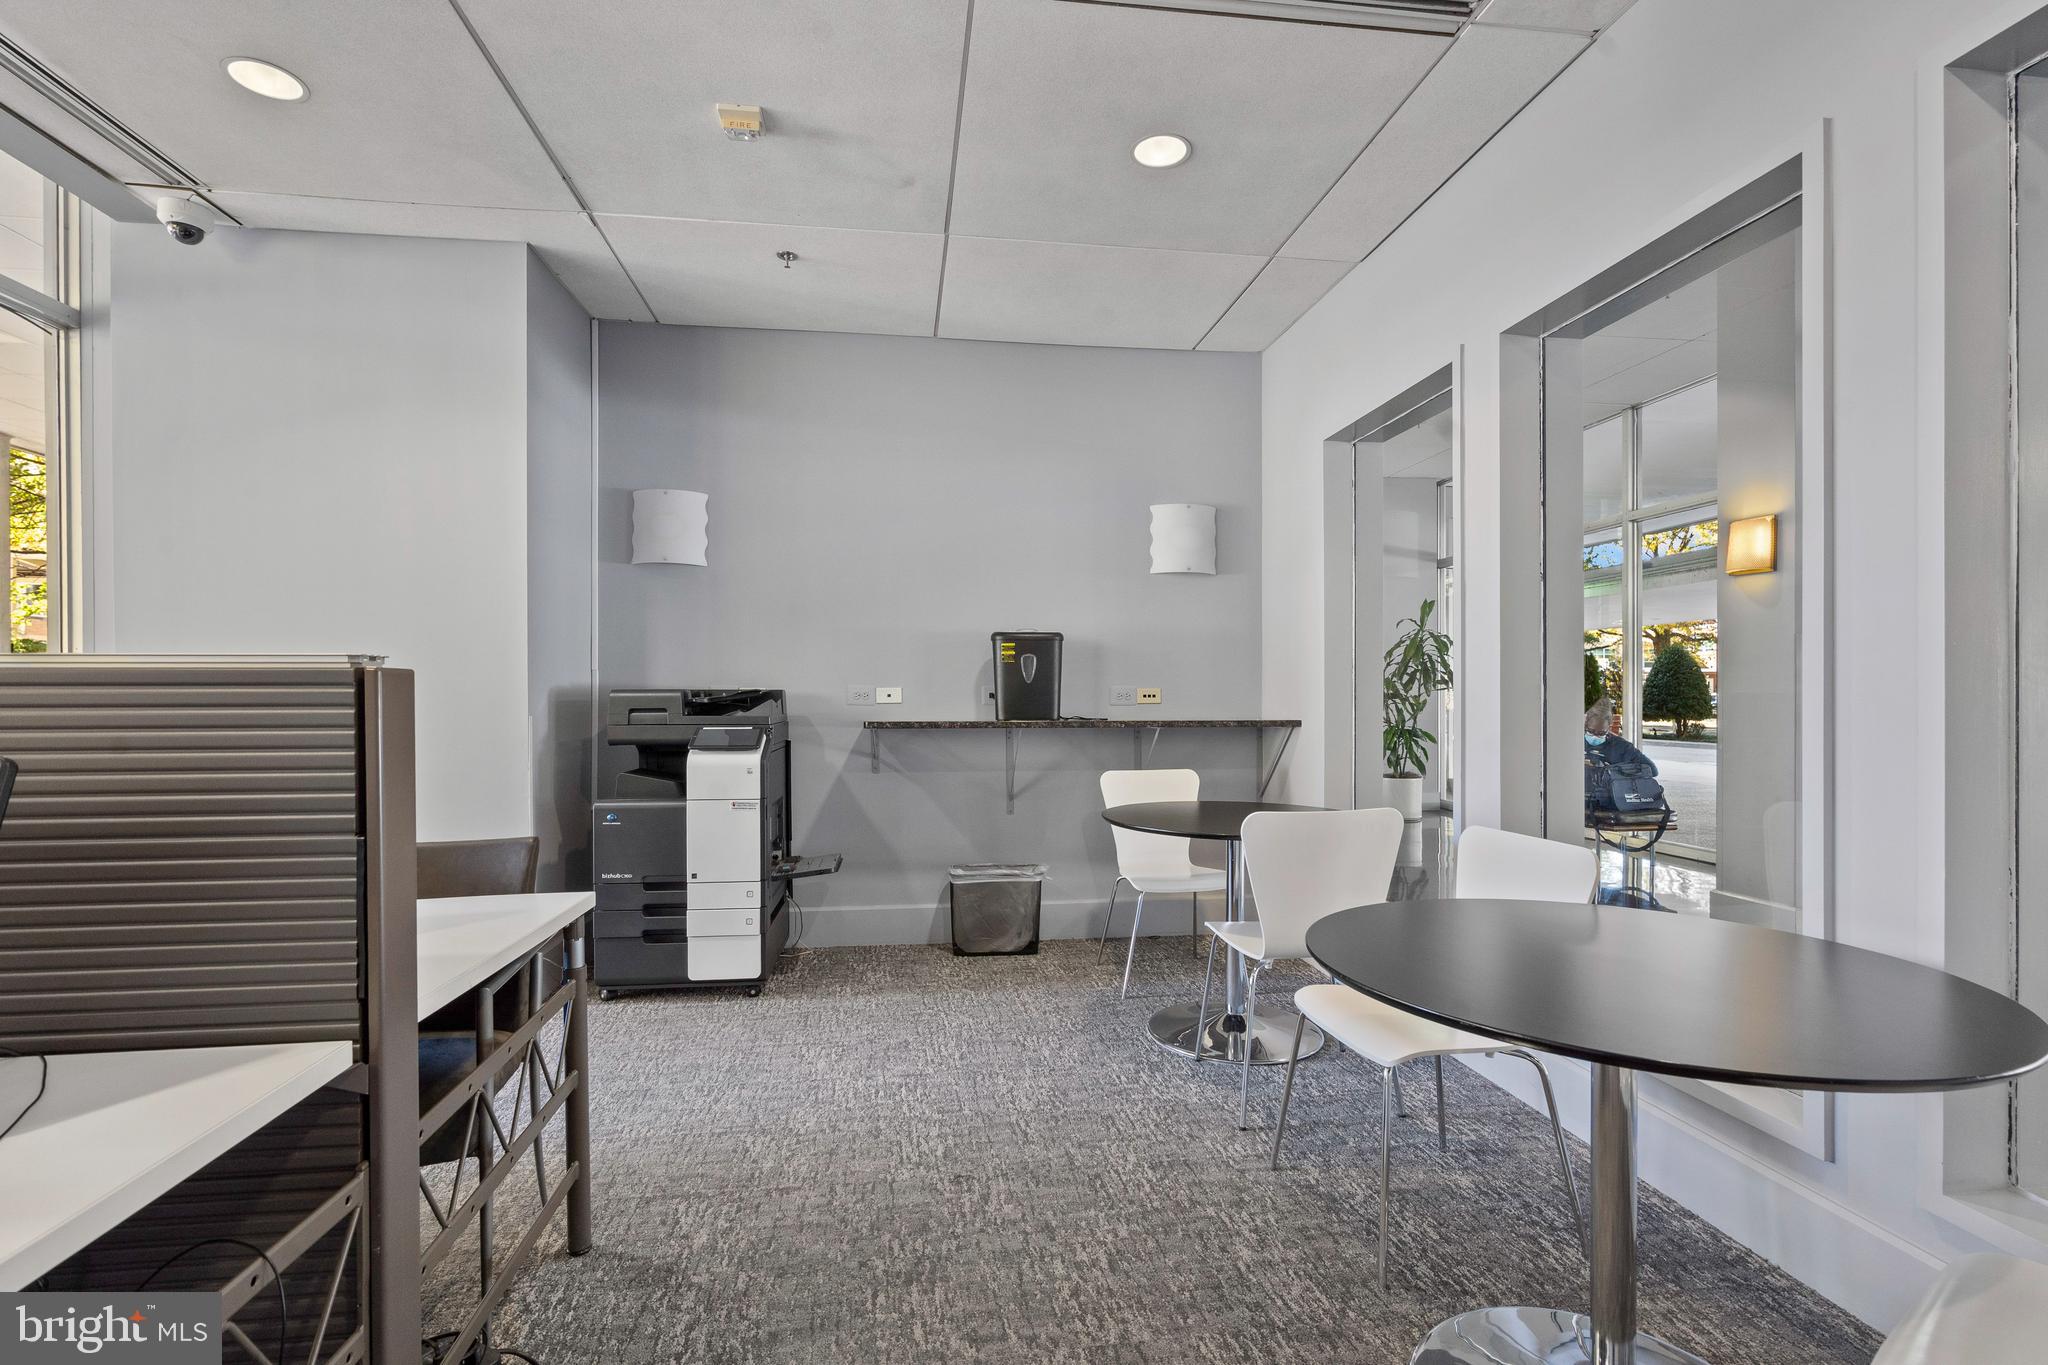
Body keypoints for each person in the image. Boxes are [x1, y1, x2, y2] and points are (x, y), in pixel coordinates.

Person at [1583, 697, 1657, 814]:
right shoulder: (1575, 741)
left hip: (1611, 800)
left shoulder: (1621, 747)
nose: (1595, 736)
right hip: (1578, 797)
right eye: (1591, 731)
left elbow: (1652, 770)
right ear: (1585, 725)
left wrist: (1613, 770)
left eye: (1601, 733)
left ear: (1609, 728)